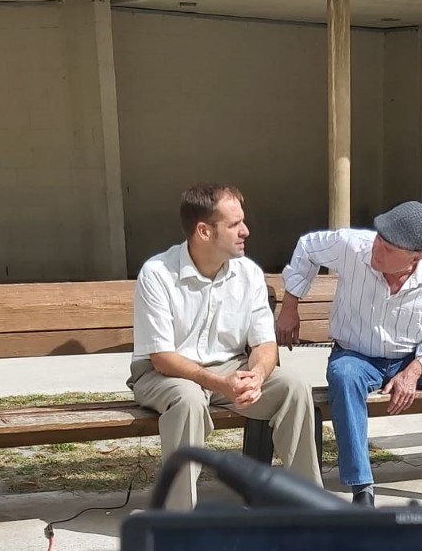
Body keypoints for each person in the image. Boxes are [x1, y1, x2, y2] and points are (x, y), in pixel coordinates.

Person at [276, 202, 422, 508]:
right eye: (379, 239)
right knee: (344, 376)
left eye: (389, 248)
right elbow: (307, 246)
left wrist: (415, 369)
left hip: (411, 357)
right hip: (356, 356)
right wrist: (290, 306)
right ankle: (362, 487)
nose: (377, 249)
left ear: (416, 257)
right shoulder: (352, 245)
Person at [131, 185, 322, 509]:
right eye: (234, 224)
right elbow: (162, 358)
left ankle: (311, 509)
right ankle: (178, 519)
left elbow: (264, 344)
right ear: (204, 231)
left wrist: (257, 375)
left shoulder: (249, 273)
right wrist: (219, 383)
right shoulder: (157, 273)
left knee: (293, 387)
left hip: (231, 368)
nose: (245, 231)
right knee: (189, 400)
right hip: (164, 374)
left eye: (242, 221)